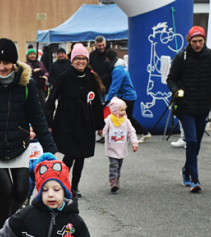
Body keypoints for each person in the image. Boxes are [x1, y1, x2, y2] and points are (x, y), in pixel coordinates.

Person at [0, 38, 57, 229]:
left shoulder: (26, 84)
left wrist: (50, 148)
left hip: (19, 143)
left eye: (6, 63)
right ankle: (3, 234)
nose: (2, 67)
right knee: (6, 191)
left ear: (14, 63)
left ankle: (11, 226)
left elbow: (37, 116)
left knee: (21, 192)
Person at [167, 26, 211, 192]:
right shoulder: (182, 57)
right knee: (191, 141)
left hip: (203, 106)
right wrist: (176, 92)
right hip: (186, 107)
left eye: (200, 41)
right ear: (189, 41)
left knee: (197, 144)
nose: (198, 44)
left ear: (204, 40)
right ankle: (195, 179)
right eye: (194, 41)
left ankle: (186, 170)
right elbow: (171, 79)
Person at [45, 43, 105, 199]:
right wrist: (49, 122)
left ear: (87, 60)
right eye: (77, 58)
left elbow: (97, 102)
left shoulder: (91, 77)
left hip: (86, 121)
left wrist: (100, 124)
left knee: (81, 155)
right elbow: (51, 100)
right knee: (70, 155)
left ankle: (75, 186)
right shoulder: (64, 77)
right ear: (72, 60)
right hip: (67, 121)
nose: (80, 62)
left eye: (83, 59)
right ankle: (62, 184)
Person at [104, 48, 150, 143]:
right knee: (126, 117)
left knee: (125, 117)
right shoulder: (120, 66)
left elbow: (115, 86)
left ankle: (144, 133)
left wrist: (107, 99)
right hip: (127, 96)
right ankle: (139, 134)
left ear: (108, 58)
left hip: (126, 97)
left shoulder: (117, 70)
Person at [99, 97, 139, 193]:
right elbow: (103, 132)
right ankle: (113, 181)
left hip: (122, 149)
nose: (124, 112)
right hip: (112, 149)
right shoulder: (108, 121)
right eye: (121, 110)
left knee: (119, 165)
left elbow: (131, 132)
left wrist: (134, 143)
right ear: (114, 110)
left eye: (124, 110)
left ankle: (116, 179)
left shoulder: (126, 121)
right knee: (114, 165)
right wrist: (100, 132)